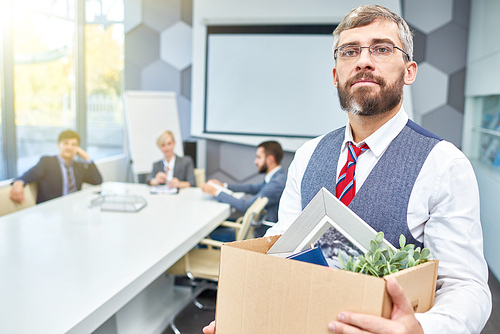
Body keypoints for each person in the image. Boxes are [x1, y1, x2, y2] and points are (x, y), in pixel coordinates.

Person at [203, 5, 492, 334]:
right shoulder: (308, 154)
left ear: (409, 71)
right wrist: (243, 310)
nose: (363, 61)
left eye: (381, 49)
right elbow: (280, 245)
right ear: (335, 75)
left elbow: (467, 287)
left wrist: (421, 329)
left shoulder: (444, 165)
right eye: (349, 51)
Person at [200, 141, 286, 237]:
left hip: (259, 232)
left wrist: (216, 192)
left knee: (207, 234)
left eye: (258, 157)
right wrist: (224, 185)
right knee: (217, 226)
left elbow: (245, 206)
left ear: (270, 159)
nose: (255, 162)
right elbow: (252, 188)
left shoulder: (277, 183)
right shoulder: (277, 176)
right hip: (257, 225)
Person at [10, 129, 103, 204]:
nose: (69, 147)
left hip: (74, 208)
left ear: (77, 148)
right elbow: (32, 173)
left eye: (73, 145)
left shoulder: (79, 166)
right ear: (58, 145)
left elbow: (97, 181)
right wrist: (19, 183)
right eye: (66, 143)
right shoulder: (47, 162)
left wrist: (86, 157)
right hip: (51, 212)